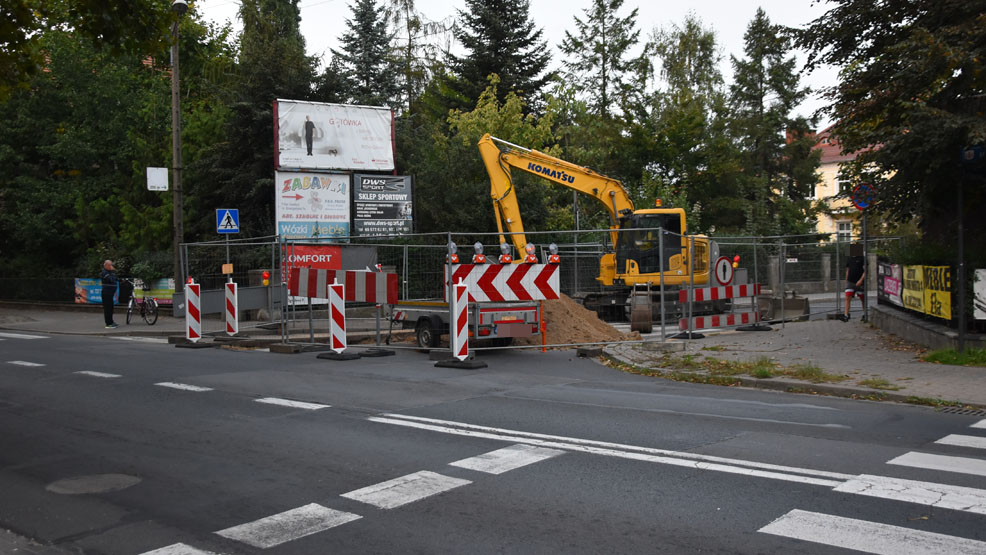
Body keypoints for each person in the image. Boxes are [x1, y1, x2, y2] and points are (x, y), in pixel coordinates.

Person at [840, 245, 865, 321]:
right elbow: (848, 270)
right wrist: (846, 280)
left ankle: (865, 314)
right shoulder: (849, 259)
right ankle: (846, 315)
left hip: (860, 282)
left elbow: (865, 271)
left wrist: (861, 280)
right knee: (847, 297)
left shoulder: (862, 258)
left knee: (862, 298)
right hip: (850, 282)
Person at [100, 260, 119, 328]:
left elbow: (116, 278)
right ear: (106, 265)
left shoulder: (110, 272)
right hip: (106, 293)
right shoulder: (104, 273)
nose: (111, 266)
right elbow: (111, 280)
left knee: (111, 308)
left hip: (110, 294)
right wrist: (112, 272)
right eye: (110, 265)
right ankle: (108, 323)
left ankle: (111, 321)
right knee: (107, 308)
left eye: (111, 265)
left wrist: (113, 272)